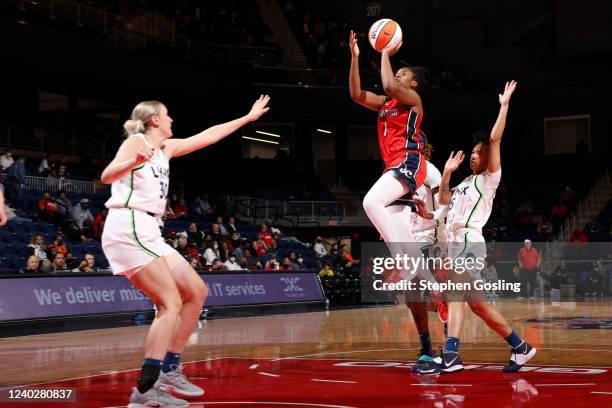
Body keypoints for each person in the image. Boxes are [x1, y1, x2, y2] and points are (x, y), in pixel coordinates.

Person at [101, 96, 270, 406]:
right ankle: (145, 389)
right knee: (169, 303)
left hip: (150, 230)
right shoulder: (136, 142)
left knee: (196, 292)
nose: (171, 119)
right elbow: (107, 175)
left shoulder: (166, 149)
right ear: (153, 120)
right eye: (167, 116)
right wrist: (132, 162)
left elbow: (208, 136)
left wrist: (246, 119)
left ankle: (168, 368)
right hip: (129, 225)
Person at [419, 81, 536, 375]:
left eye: (476, 152)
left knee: (455, 294)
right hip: (455, 242)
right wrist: (446, 172)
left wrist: (504, 106)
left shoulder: (488, 180)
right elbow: (443, 199)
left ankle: (452, 355)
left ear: (486, 159)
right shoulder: (466, 183)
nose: (472, 155)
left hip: (469, 241)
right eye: (471, 151)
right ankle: (521, 348)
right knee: (479, 306)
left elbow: (495, 140)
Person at [349, 30, 428, 245]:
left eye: (403, 74)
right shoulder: (385, 102)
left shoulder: (413, 99)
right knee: (401, 233)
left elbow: (388, 86)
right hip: (392, 165)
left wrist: (384, 53)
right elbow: (356, 95)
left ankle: (398, 258)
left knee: (371, 202)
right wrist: (355, 58)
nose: (397, 75)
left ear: (413, 84)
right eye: (397, 72)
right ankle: (417, 274)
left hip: (408, 161)